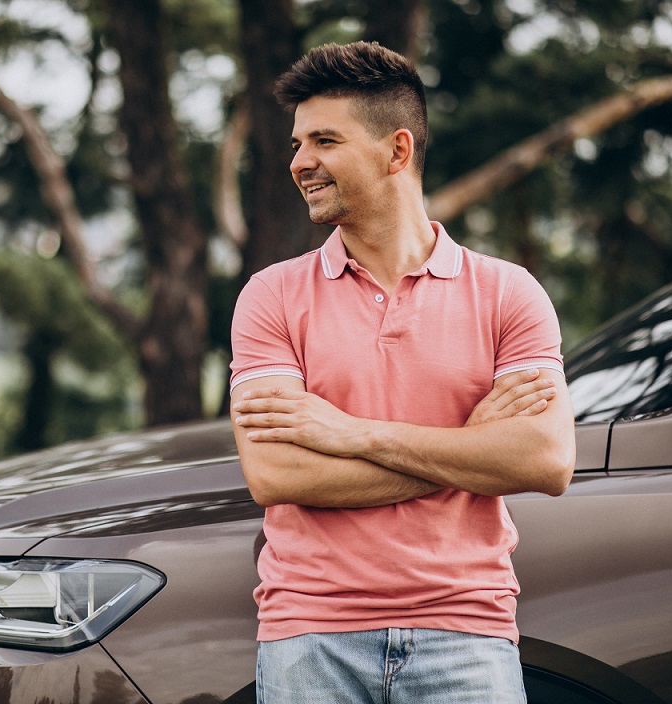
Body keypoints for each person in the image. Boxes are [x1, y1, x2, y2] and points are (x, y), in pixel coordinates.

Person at [228, 41, 575, 704]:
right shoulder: (270, 297)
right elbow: (277, 473)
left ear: (397, 150)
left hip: (467, 629)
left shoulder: (509, 293)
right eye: (299, 142)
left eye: (324, 140)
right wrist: (471, 444)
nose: (300, 162)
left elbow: (546, 461)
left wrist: (351, 433)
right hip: (311, 633)